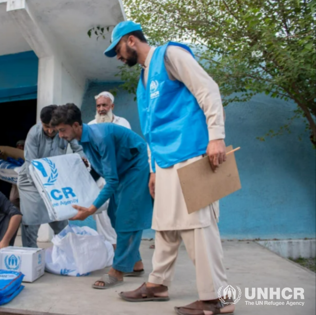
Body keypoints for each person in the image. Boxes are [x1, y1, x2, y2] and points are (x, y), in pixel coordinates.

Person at [104, 20, 233, 315]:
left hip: (192, 151)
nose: (118, 56)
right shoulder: (143, 78)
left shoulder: (170, 55)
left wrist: (217, 136)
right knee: (164, 226)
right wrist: (152, 170)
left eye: (118, 49)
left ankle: (217, 299)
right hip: (165, 161)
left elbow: (207, 89)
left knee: (199, 226)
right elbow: (151, 128)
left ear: (131, 40)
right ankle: (157, 285)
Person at [51, 103, 153, 290]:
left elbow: (111, 181)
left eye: (62, 130)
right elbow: (101, 170)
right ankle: (135, 264)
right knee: (114, 215)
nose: (61, 135)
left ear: (76, 125)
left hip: (136, 168)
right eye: (58, 131)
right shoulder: (83, 139)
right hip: (122, 170)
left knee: (126, 218)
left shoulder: (100, 137)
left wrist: (90, 209)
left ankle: (118, 270)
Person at [18, 105, 85, 248]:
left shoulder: (64, 132)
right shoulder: (33, 133)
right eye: (45, 126)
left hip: (55, 181)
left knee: (61, 218)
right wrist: (44, 187)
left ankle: (65, 254)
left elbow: (79, 149)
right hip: (31, 182)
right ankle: (31, 255)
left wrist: (83, 163)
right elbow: (31, 163)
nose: (49, 130)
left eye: (52, 127)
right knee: (32, 219)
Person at [88, 91, 132, 248]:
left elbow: (126, 147)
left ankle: (123, 252)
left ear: (112, 106)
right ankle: (111, 250)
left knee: (119, 214)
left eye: (104, 105)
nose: (101, 109)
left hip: (120, 176)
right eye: (98, 105)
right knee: (102, 215)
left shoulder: (122, 123)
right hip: (99, 177)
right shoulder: (91, 126)